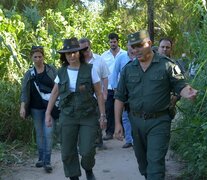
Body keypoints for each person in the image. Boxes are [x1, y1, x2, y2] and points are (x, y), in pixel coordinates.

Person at [114, 30, 197, 180]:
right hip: (136, 122)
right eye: (133, 46)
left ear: (149, 44)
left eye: (139, 46)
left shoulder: (167, 65)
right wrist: (118, 123)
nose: (135, 50)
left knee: (156, 163)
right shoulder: (128, 69)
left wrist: (188, 92)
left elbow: (181, 85)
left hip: (159, 121)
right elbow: (119, 97)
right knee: (143, 164)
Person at [45, 38, 107, 180]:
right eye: (68, 54)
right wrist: (48, 113)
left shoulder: (89, 70)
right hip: (68, 115)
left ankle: (88, 169)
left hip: (88, 115)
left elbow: (98, 93)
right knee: (67, 151)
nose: (71, 56)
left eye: (74, 52)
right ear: (64, 56)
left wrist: (102, 115)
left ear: (79, 53)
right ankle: (73, 176)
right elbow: (55, 93)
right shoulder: (61, 72)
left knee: (87, 151)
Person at [20, 46, 57, 173]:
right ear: (31, 58)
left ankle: (47, 161)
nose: (37, 59)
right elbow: (24, 91)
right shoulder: (29, 73)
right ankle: (41, 158)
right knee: (40, 133)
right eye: (35, 57)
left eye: (40, 56)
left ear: (43, 56)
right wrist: (22, 107)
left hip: (50, 108)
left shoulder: (51, 70)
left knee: (49, 133)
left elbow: (59, 86)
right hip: (36, 108)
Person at [79, 37, 110, 150]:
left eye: (86, 48)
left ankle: (98, 141)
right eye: (81, 49)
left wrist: (105, 92)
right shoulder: (78, 62)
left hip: (97, 96)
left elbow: (105, 77)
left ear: (90, 46)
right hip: (83, 97)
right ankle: (87, 141)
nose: (84, 51)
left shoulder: (99, 60)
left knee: (98, 117)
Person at [101, 33, 126, 140]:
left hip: (122, 87)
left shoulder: (124, 54)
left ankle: (124, 132)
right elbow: (101, 72)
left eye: (114, 41)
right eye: (111, 42)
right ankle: (109, 132)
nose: (113, 44)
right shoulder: (104, 56)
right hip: (109, 87)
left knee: (124, 109)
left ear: (118, 41)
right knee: (109, 109)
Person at [111, 44, 134, 148]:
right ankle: (129, 139)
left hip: (137, 92)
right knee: (125, 116)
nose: (133, 47)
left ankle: (136, 140)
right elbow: (114, 74)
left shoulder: (140, 57)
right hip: (124, 91)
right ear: (127, 45)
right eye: (131, 45)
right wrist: (116, 90)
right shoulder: (121, 58)